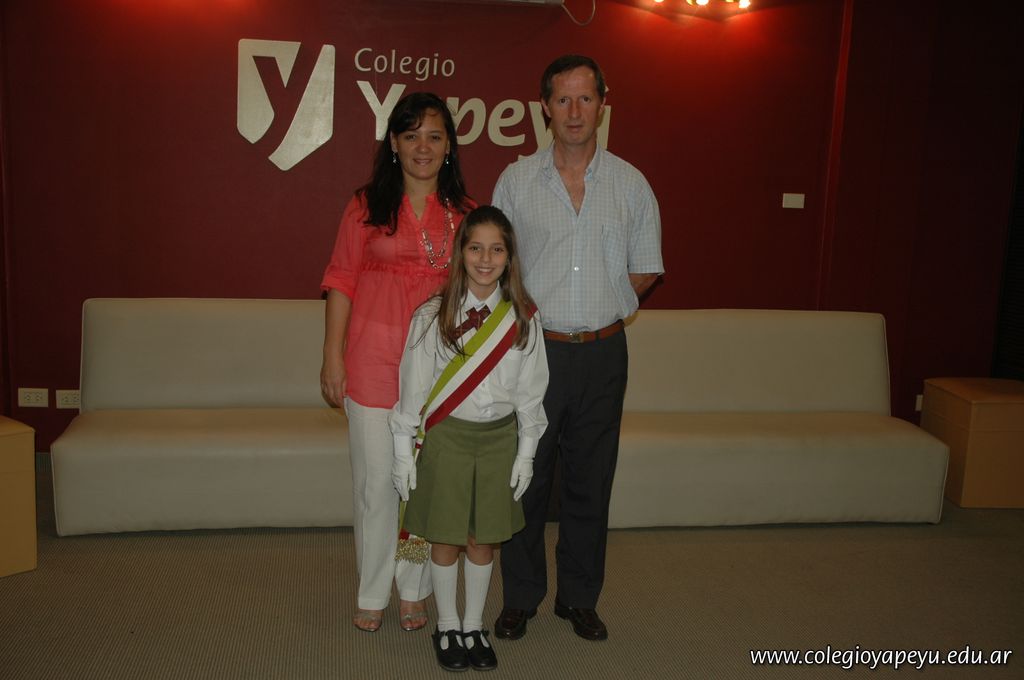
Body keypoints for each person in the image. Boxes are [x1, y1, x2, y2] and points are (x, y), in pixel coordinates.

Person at [491, 54, 664, 642]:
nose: (574, 111)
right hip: (533, 353)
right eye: (562, 99)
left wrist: (605, 303)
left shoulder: (631, 184)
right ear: (545, 107)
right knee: (527, 478)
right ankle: (521, 598)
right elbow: (498, 264)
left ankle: (579, 598)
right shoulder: (516, 181)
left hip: (602, 355)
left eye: (585, 98)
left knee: (591, 480)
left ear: (602, 106)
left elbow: (646, 267)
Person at [320, 91, 474, 633]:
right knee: (376, 487)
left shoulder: (465, 215)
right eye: (411, 136)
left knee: (422, 490)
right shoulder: (365, 206)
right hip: (372, 362)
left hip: (437, 372)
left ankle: (413, 588)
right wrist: (332, 358)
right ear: (394, 143)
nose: (422, 147)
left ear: (449, 145)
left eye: (434, 136)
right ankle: (372, 590)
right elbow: (341, 280)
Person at [389, 205, 549, 672]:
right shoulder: (432, 315)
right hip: (447, 440)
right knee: (445, 537)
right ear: (461, 253)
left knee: (483, 540)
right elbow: (412, 390)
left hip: (498, 442)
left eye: (496, 250)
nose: (485, 259)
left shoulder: (523, 318)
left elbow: (531, 394)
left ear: (509, 257)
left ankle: (474, 625)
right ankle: (447, 626)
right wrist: (402, 454)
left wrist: (526, 454)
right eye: (476, 248)